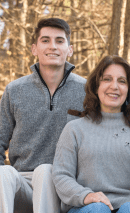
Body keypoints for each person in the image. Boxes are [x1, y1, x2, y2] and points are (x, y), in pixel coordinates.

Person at [0, 18, 86, 213]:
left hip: (63, 184)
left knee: (45, 170)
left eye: (59, 41)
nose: (52, 47)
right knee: (2, 172)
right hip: (22, 182)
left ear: (69, 49)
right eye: (45, 40)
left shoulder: (87, 91)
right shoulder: (14, 90)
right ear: (34, 48)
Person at [52, 55, 130, 213]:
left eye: (122, 81)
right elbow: (62, 175)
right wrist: (87, 196)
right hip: (86, 206)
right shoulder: (74, 129)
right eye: (107, 79)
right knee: (98, 209)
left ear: (129, 89)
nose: (114, 86)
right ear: (96, 86)